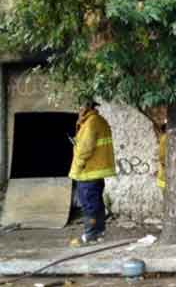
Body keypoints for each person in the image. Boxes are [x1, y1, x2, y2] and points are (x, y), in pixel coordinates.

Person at [69, 100, 116, 246]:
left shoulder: (91, 122)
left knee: (89, 204)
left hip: (88, 171)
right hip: (95, 171)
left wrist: (79, 164)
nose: (79, 109)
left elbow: (84, 149)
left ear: (88, 107)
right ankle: (99, 233)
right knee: (96, 202)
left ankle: (90, 235)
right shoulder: (98, 121)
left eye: (81, 106)